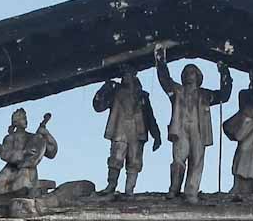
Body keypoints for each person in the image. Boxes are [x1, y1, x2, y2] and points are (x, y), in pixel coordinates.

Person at [155, 47, 233, 202]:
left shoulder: (205, 94)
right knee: (178, 159)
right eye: (186, 72)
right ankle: (174, 188)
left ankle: (191, 191)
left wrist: (224, 72)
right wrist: (160, 61)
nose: (188, 75)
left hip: (199, 130)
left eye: (191, 72)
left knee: (197, 160)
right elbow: (165, 79)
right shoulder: (177, 90)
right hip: (181, 129)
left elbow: (224, 95)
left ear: (198, 77)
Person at [92, 70, 160, 197]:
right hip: (120, 130)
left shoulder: (142, 96)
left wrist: (156, 135)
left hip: (137, 131)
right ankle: (111, 185)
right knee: (115, 159)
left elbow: (149, 116)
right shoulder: (115, 92)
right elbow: (98, 106)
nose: (126, 77)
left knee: (134, 161)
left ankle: (129, 190)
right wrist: (106, 87)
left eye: (129, 74)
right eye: (124, 75)